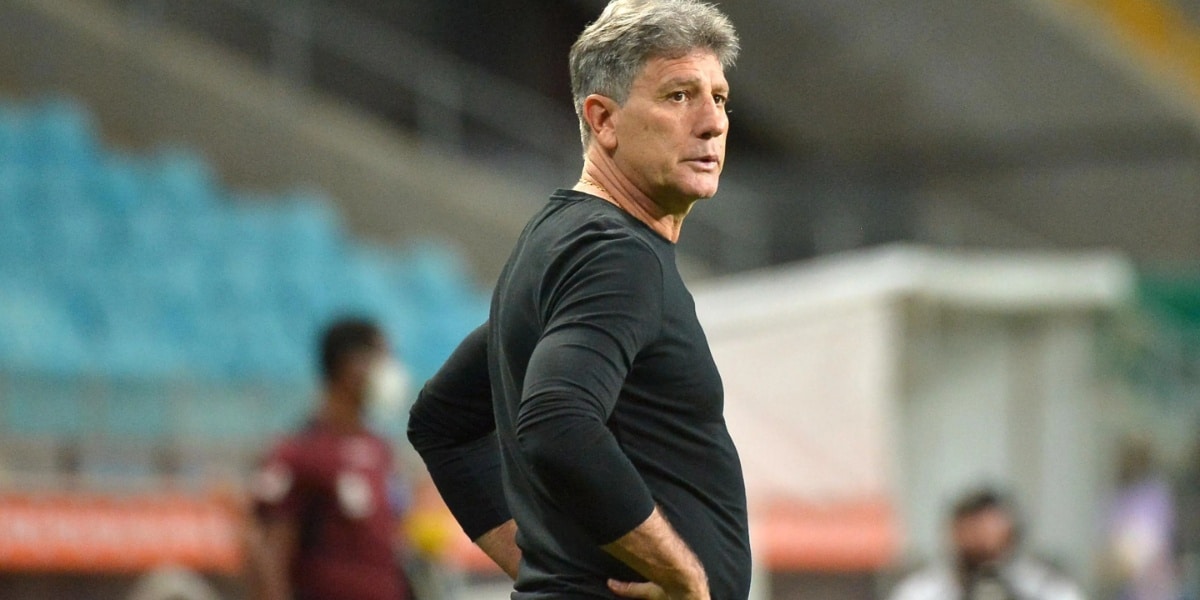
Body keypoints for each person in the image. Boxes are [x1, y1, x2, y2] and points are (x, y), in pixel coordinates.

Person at [406, 1, 750, 598]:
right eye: (678, 96)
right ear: (603, 119)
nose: (713, 122)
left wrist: (550, 571)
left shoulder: (562, 240)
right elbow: (557, 420)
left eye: (718, 97)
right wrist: (684, 578)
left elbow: (441, 423)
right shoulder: (615, 254)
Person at [248, 318, 411, 600]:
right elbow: (269, 553)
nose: (390, 373)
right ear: (351, 366)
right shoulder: (301, 453)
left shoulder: (380, 448)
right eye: (382, 359)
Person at [889, 488, 1084, 600]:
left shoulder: (1046, 586)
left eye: (992, 530)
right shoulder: (922, 591)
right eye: (973, 529)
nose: (983, 540)